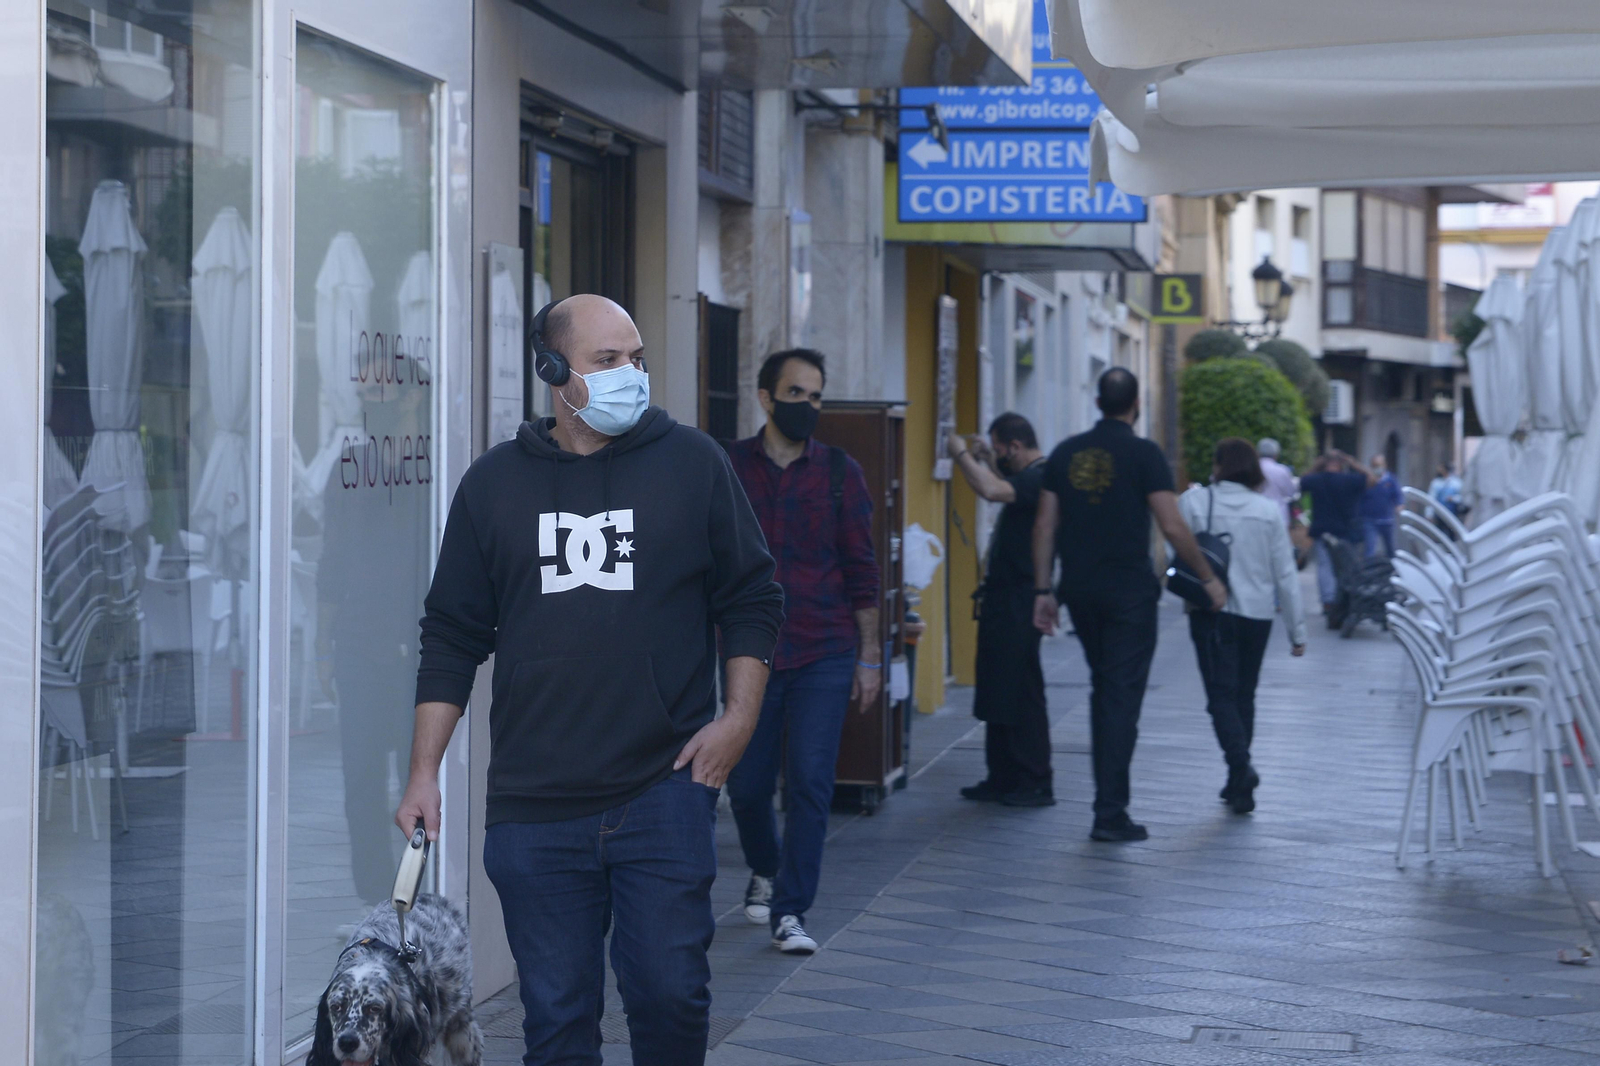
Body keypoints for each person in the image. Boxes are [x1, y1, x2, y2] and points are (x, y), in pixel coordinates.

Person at [397, 295, 785, 1065]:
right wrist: (422, 773)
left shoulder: (693, 464)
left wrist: (738, 719)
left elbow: (751, 597)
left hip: (664, 787)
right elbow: (451, 633)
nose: (630, 375)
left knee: (671, 998)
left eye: (636, 358)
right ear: (551, 369)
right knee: (559, 1020)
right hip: (534, 805)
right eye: (607, 361)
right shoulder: (493, 485)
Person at [724, 348, 881, 955]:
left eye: (816, 396)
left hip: (825, 646)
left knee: (813, 783)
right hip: (748, 652)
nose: (808, 407)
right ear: (766, 399)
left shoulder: (840, 472)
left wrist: (869, 657)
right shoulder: (729, 466)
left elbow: (862, 569)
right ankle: (766, 866)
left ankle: (791, 910)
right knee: (747, 786)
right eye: (796, 395)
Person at [1031, 368, 1226, 843]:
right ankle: (1109, 811)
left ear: (1098, 401)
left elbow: (1044, 526)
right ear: (1135, 404)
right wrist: (1207, 576)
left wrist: (1044, 590)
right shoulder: (1143, 454)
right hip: (1129, 594)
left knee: (1105, 689)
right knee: (1120, 696)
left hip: (1080, 588)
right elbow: (1173, 525)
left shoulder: (1065, 452)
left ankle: (1109, 805)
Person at [1178, 439, 1307, 815]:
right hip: (1256, 615)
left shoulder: (1194, 502)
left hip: (1210, 612)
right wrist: (1297, 632)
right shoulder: (1268, 511)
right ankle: (1239, 785)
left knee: (1219, 695)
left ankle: (1240, 769)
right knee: (1243, 695)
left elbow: (1178, 554)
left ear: (1218, 465)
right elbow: (1286, 573)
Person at [948, 412, 1052, 808]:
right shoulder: (1026, 477)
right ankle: (1002, 775)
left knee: (1021, 690)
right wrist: (986, 460)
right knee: (999, 686)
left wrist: (961, 456)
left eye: (1000, 451)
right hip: (1004, 598)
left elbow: (993, 491)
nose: (999, 458)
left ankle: (1034, 779)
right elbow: (1003, 482)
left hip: (1020, 599)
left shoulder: (1041, 476)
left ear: (1015, 447)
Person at [1299, 450, 1376, 620]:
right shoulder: (1349, 480)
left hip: (1322, 529)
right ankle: (1343, 600)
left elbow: (1301, 482)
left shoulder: (1316, 480)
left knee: (1324, 566)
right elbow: (1371, 479)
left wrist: (1317, 465)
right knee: (1346, 566)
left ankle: (1328, 602)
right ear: (1341, 464)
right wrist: (1353, 462)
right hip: (1345, 530)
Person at [1360, 454, 1404, 559]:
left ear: (1384, 465)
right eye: (1374, 465)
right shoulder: (1367, 480)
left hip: (1387, 520)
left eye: (1379, 465)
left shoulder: (1390, 479)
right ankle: (1369, 572)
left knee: (1390, 549)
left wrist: (1399, 505)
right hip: (1369, 520)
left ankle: (1393, 570)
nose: (1377, 468)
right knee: (1370, 549)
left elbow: (1398, 495)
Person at [1256, 437, 1299, 528]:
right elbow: (1290, 493)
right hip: (1279, 514)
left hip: (1256, 514)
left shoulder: (1253, 469)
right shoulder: (1282, 470)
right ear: (1276, 454)